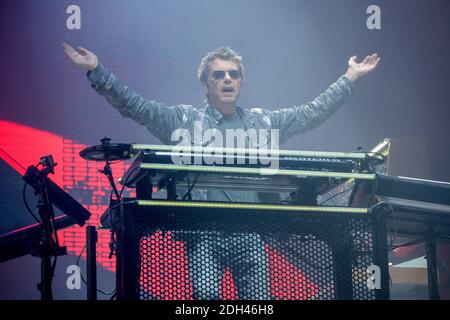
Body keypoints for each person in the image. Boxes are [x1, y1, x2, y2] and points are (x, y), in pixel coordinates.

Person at [63, 43, 380, 299]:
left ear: (241, 82)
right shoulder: (184, 122)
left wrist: (350, 77)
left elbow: (312, 113)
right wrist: (96, 70)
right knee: (205, 300)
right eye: (219, 75)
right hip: (203, 233)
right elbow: (137, 106)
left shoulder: (262, 123)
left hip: (250, 232)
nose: (228, 79)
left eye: (233, 74)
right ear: (205, 84)